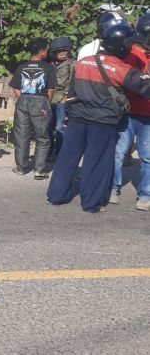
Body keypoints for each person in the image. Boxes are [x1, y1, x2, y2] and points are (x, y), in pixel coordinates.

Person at [47, 24, 150, 213]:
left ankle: (56, 196)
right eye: (128, 45)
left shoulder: (83, 62)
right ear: (121, 46)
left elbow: (71, 92)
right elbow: (145, 88)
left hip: (77, 118)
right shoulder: (121, 68)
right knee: (97, 162)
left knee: (66, 159)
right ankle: (91, 203)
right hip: (103, 122)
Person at [111, 13, 150, 209]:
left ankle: (145, 195)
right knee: (118, 152)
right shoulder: (129, 52)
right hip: (127, 111)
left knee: (147, 156)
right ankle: (112, 187)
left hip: (148, 116)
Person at [9, 38, 56, 179]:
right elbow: (51, 90)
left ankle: (21, 168)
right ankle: (39, 170)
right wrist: (43, 103)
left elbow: (16, 88)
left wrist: (24, 98)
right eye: (46, 50)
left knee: (21, 136)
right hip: (41, 101)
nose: (47, 52)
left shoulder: (21, 67)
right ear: (42, 52)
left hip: (23, 100)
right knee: (42, 137)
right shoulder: (48, 68)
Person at [47, 37, 75, 161]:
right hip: (50, 98)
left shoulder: (72, 63)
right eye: (59, 51)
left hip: (62, 98)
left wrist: (66, 98)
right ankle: (48, 152)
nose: (62, 53)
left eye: (64, 51)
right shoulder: (51, 64)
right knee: (49, 127)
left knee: (60, 128)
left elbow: (72, 82)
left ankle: (58, 154)